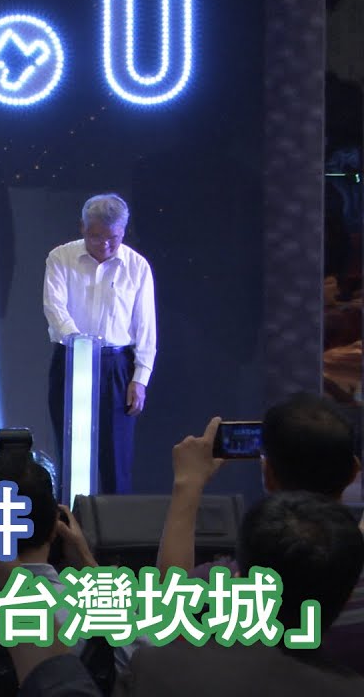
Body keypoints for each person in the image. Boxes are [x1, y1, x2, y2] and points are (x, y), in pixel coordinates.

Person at [158, 394, 364, 675]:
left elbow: (169, 609)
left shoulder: (229, 592)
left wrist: (188, 484)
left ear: (268, 475)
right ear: (353, 472)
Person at [43, 193, 156, 494]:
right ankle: (70, 519)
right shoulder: (61, 257)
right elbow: (54, 308)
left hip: (117, 366)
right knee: (71, 453)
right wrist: (79, 343)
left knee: (116, 459)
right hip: (70, 359)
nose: (104, 245)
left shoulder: (137, 266)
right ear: (82, 227)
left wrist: (140, 379)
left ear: (123, 232)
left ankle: (117, 523)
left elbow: (146, 327)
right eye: (95, 237)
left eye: (113, 238)